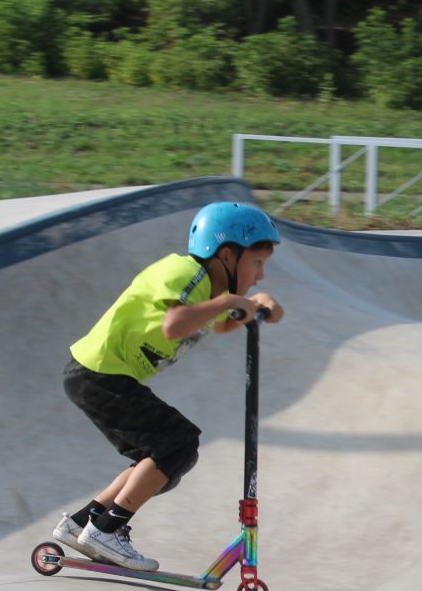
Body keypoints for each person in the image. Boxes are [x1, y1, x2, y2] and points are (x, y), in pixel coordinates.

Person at [51, 200, 284, 571]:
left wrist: (255, 306)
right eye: (257, 263)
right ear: (227, 255)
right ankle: (107, 530)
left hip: (98, 376)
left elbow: (220, 324)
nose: (260, 275)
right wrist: (229, 301)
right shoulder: (186, 272)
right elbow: (175, 325)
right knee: (177, 444)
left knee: (156, 455)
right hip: (99, 373)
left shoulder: (208, 293)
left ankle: (82, 522)